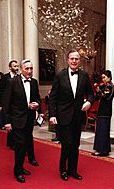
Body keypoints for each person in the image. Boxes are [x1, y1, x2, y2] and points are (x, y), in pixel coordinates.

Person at [49, 49, 94, 181]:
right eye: (72, 59)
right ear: (67, 60)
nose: (74, 61)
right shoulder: (60, 76)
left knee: (75, 144)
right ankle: (63, 170)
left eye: (76, 59)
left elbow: (91, 93)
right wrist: (52, 115)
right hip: (63, 116)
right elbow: (53, 97)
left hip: (78, 116)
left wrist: (89, 102)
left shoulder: (84, 76)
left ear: (79, 61)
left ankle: (73, 170)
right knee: (66, 144)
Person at [2, 59, 42, 183]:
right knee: (20, 145)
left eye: (31, 68)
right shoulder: (12, 82)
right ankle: (17, 171)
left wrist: (37, 105)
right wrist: (7, 122)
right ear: (21, 69)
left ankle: (21, 167)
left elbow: (37, 98)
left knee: (25, 143)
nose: (29, 71)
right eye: (27, 69)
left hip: (29, 119)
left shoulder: (34, 82)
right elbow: (6, 103)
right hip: (17, 119)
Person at [91, 70, 114, 156]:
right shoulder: (105, 86)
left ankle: (103, 151)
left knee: (103, 131)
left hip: (106, 112)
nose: (103, 79)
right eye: (102, 78)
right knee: (100, 130)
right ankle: (102, 149)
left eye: (104, 77)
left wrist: (98, 90)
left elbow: (105, 96)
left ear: (109, 77)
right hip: (102, 111)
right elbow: (98, 96)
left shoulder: (110, 87)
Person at [0, 60, 19, 149]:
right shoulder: (5, 77)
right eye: (14, 66)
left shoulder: (19, 77)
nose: (16, 68)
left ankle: (16, 142)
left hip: (16, 104)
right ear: (10, 67)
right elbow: (1, 92)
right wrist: (1, 105)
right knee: (9, 123)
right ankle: (11, 143)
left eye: (17, 66)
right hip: (7, 104)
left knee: (16, 124)